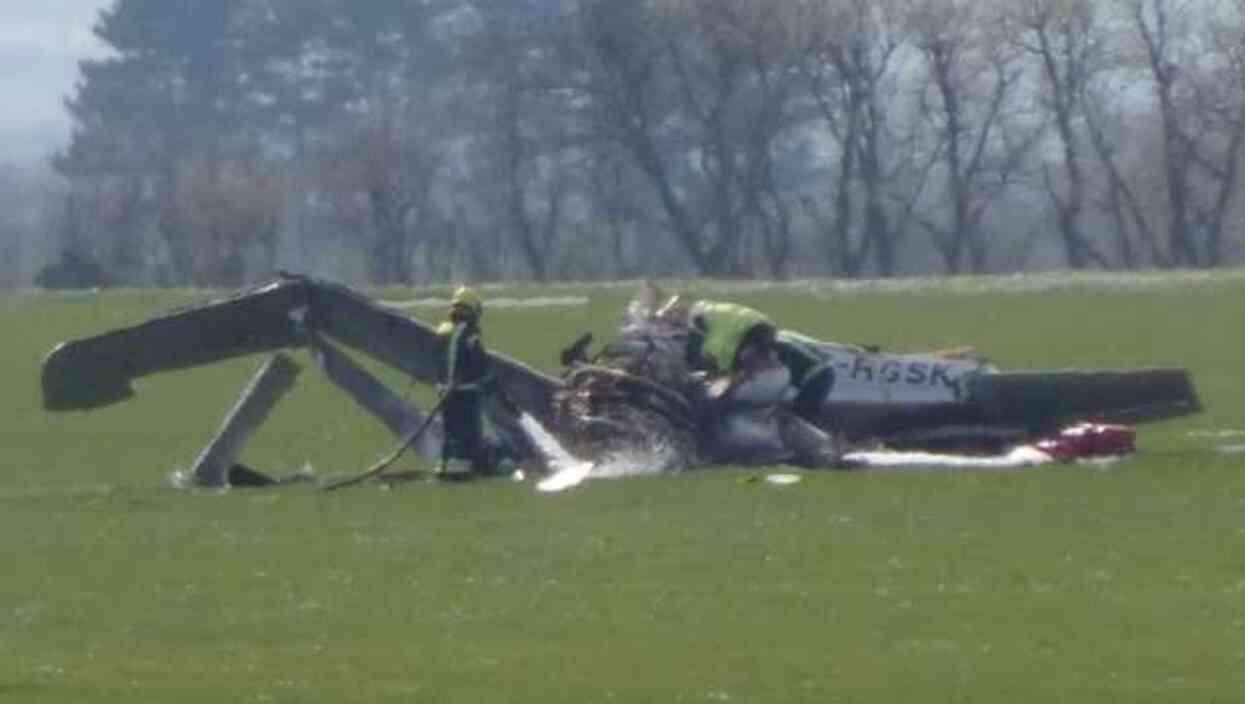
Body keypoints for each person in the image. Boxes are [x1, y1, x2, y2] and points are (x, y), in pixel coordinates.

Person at [435, 285, 494, 479]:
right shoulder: (470, 335)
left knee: (449, 432)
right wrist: (487, 379)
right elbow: (478, 364)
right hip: (465, 393)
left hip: (444, 392)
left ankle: (444, 466)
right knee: (468, 434)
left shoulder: (443, 331)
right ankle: (462, 471)